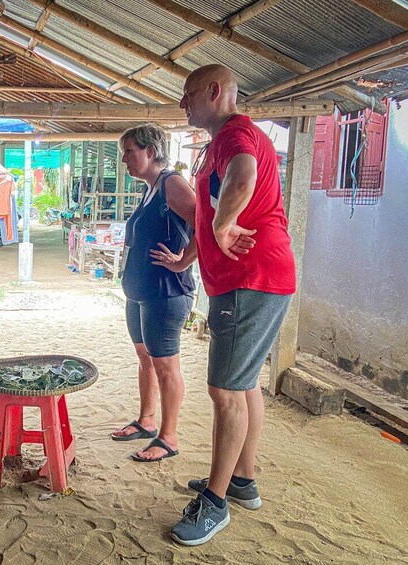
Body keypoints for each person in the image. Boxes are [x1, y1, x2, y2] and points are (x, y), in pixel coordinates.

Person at [166, 64, 296, 545]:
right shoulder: (222, 141)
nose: (183, 103)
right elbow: (215, 206)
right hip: (253, 279)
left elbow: (242, 179)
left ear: (215, 92)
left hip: (250, 278)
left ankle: (215, 505)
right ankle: (242, 480)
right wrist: (194, 251)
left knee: (224, 391)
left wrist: (222, 228)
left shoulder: (234, 135)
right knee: (243, 387)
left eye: (188, 94)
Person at [109, 124, 198, 463]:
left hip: (166, 292)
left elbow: (207, 224)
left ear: (150, 151)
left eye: (129, 151)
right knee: (145, 358)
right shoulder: (150, 188)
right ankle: (147, 420)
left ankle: (169, 437)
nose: (124, 160)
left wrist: (182, 262)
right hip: (140, 291)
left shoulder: (171, 183)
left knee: (166, 366)